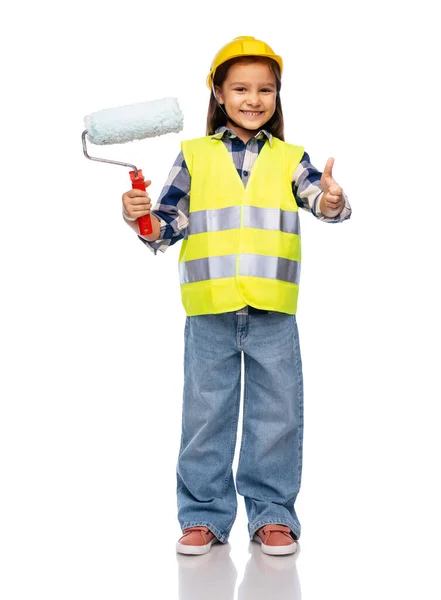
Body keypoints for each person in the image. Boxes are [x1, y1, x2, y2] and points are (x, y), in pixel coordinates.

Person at [122, 36, 352, 556]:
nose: (254, 99)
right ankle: (203, 516)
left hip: (272, 310)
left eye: (265, 89)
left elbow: (322, 200)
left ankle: (272, 515)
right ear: (219, 95)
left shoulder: (292, 158)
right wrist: (139, 215)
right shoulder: (194, 155)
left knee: (278, 414)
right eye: (241, 88)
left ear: (277, 96)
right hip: (209, 311)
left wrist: (334, 199)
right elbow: (167, 225)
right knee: (206, 413)